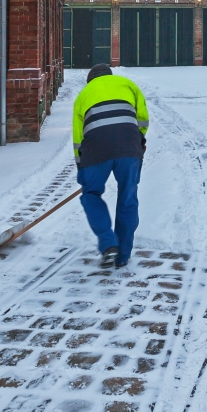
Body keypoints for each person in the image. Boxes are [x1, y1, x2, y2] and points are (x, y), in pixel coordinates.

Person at [71, 63, 149, 269]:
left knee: (91, 194)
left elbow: (78, 138)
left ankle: (108, 244)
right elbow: (142, 119)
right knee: (128, 198)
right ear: (109, 75)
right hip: (129, 149)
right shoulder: (128, 85)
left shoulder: (83, 95)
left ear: (91, 80)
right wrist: (139, 141)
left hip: (96, 149)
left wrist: (82, 168)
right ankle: (122, 256)